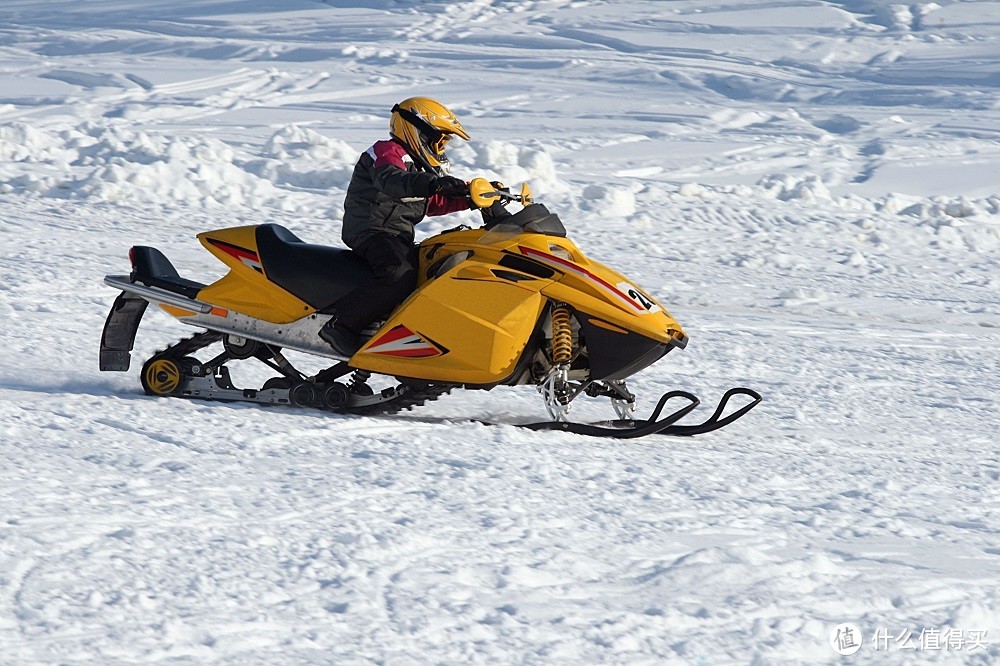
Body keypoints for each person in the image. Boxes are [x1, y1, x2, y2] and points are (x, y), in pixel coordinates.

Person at [319, 96, 476, 357]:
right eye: (440, 140)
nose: (442, 148)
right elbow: (391, 180)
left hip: (395, 235)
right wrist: (433, 183)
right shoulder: (386, 151)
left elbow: (433, 202)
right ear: (417, 131)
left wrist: (472, 198)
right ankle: (341, 326)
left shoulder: (418, 168)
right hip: (371, 230)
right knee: (398, 273)